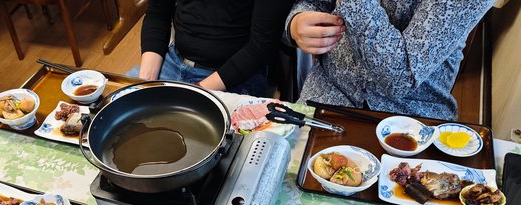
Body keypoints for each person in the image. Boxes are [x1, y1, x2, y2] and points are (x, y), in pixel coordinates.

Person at [286, 0, 495, 120]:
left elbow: (400, 78)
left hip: (408, 118)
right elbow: (316, 2)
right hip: (325, 93)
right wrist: (296, 22)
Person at [138, 0, 293, 97]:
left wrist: (195, 93)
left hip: (232, 77)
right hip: (172, 60)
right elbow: (158, 13)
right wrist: (145, 81)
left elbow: (261, 47)